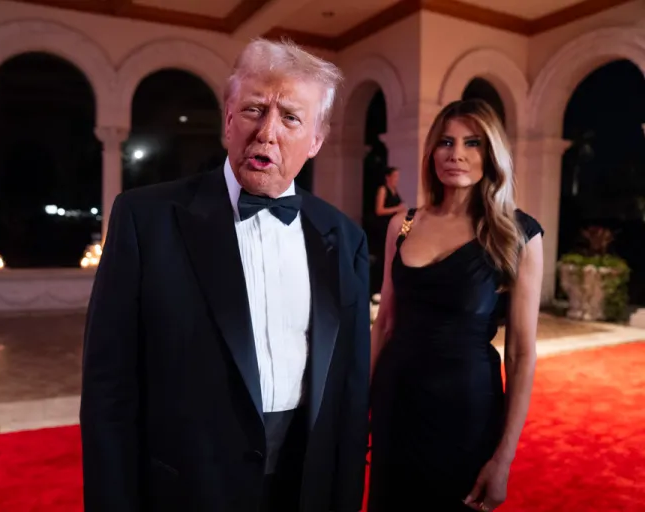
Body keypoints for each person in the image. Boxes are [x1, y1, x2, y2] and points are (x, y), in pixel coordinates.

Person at [80, 38, 371, 512]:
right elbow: (108, 392)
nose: (267, 132)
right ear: (229, 118)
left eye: (291, 117)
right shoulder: (145, 220)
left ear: (317, 139)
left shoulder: (345, 239)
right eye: (255, 109)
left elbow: (351, 394)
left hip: (304, 486)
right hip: (189, 487)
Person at [368, 99, 544, 511]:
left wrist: (504, 458)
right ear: (432, 151)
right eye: (446, 142)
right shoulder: (404, 223)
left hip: (466, 410)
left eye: (472, 143)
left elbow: (520, 353)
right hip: (396, 403)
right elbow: (386, 325)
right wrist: (361, 407)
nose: (456, 154)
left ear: (492, 153)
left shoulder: (517, 233)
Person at [371, 166, 405, 292]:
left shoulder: (395, 190)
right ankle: (377, 288)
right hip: (383, 228)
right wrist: (397, 209)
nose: (397, 179)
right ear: (388, 177)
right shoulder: (383, 190)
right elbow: (379, 210)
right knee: (382, 257)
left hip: (393, 228)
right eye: (395, 176)